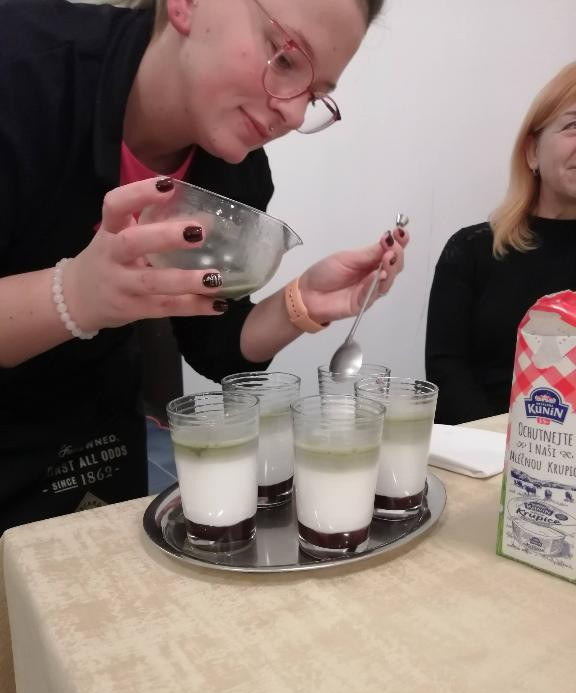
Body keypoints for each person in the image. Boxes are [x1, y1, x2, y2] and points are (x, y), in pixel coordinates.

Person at [0, 0, 408, 533]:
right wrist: (76, 294)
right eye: (286, 58)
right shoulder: (21, 69)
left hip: (93, 445)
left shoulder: (234, 177)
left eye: (314, 97)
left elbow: (214, 345)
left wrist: (302, 302)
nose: (292, 115)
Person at [425, 61, 576, 425]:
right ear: (532, 151)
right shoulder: (470, 251)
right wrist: (505, 443)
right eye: (573, 126)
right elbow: (446, 372)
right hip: (480, 449)